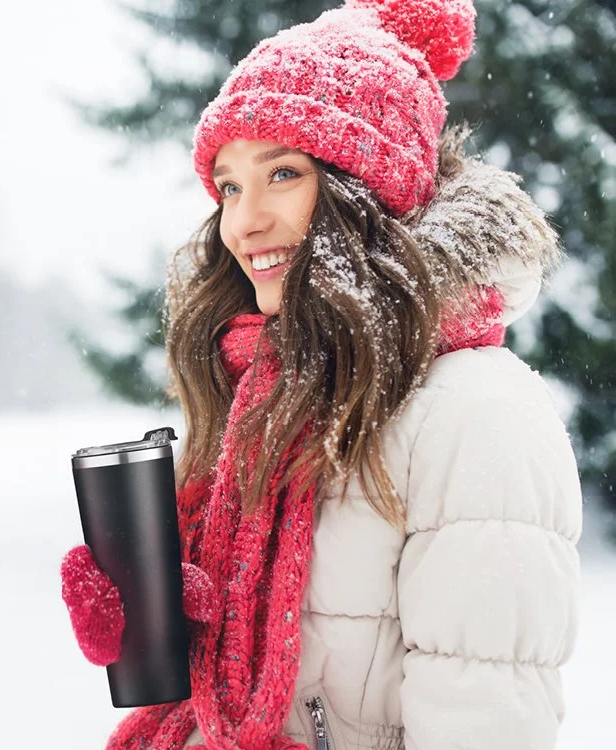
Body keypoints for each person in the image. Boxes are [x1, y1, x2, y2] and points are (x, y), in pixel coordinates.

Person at [61, 1, 583, 748]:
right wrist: (171, 613)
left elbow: (486, 719)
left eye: (282, 172)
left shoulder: (477, 412)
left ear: (366, 190)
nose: (242, 223)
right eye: (229, 185)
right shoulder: (258, 394)